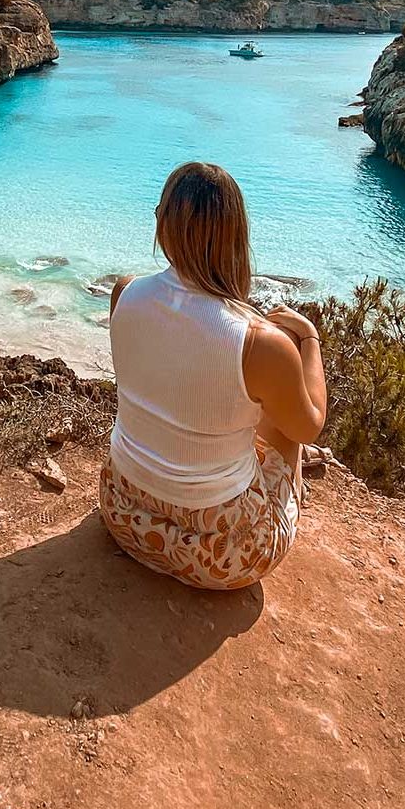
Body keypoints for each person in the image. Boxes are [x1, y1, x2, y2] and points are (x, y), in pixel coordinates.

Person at [99, 161, 326, 591]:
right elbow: (311, 424)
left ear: (163, 227)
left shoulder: (124, 293)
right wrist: (310, 340)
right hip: (222, 557)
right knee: (286, 424)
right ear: (236, 238)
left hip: (124, 513)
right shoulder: (260, 342)